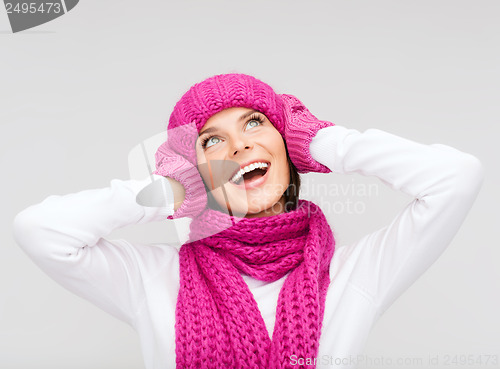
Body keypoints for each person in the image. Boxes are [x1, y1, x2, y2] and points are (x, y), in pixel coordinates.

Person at [13, 73, 484, 369]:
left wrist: (321, 142)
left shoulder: (354, 276)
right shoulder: (154, 278)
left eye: (256, 123)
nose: (238, 147)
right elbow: (40, 230)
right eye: (211, 142)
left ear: (287, 145)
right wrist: (170, 191)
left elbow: (455, 178)